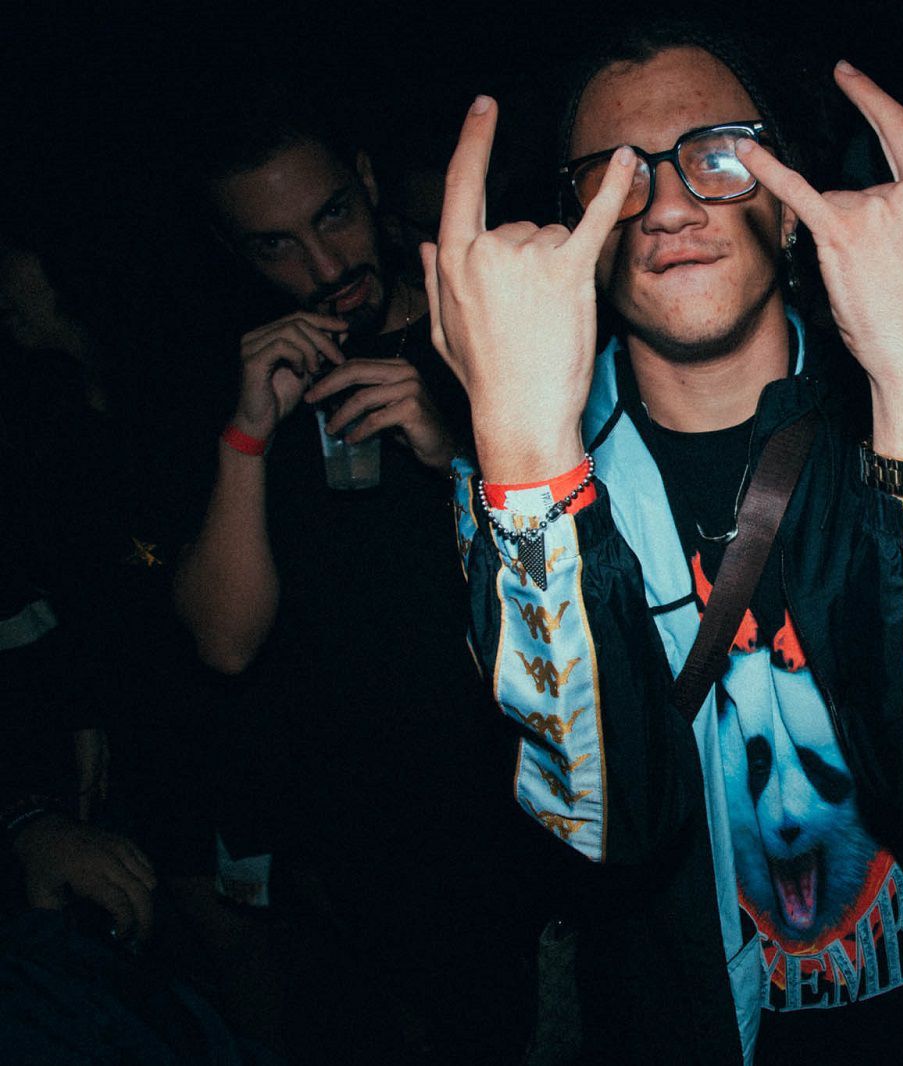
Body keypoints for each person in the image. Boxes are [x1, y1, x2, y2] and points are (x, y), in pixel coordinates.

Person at [424, 23, 903, 1064]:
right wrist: (520, 448)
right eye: (617, 177)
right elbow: (607, 825)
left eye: (719, 155)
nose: (666, 206)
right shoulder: (517, 469)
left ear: (789, 206)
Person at [170, 94, 534, 1063]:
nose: (325, 267)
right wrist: (249, 433)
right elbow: (224, 642)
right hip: (364, 838)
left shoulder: (485, 330)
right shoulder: (241, 375)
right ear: (236, 254)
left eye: (332, 215)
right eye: (276, 246)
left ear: (368, 182)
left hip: (518, 808)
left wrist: (454, 453)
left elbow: (596, 574)